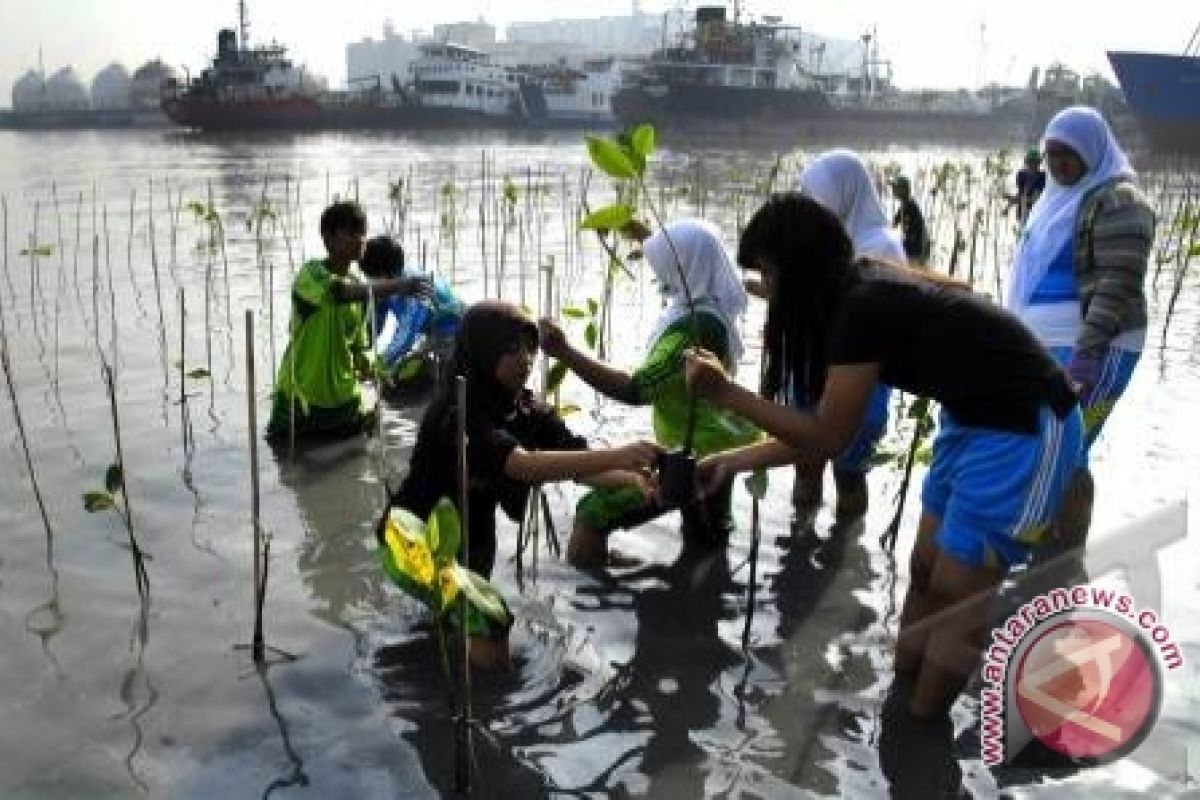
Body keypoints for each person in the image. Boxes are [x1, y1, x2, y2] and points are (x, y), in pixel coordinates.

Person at [683, 194, 1082, 780]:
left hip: (1026, 426)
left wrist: (726, 393)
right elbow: (822, 433)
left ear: (796, 267)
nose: (764, 286)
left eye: (767, 272)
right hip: (969, 419)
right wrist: (733, 461)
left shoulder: (858, 310)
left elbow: (826, 438)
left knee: (957, 593)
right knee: (924, 569)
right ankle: (904, 708)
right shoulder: (852, 297)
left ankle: (917, 742)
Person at [389, 300, 661, 665]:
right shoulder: (459, 409)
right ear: (485, 353)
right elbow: (519, 465)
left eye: (530, 348)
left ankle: (435, 675)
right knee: (489, 623)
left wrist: (632, 478)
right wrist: (618, 456)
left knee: (453, 629)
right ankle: (480, 709)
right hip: (410, 537)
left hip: (470, 538)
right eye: (511, 349)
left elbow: (578, 463)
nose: (527, 359)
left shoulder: (523, 408)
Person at [538, 219, 760, 569]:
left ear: (683, 266)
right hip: (718, 442)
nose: (658, 275)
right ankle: (701, 605)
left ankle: (594, 594)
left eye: (666, 265)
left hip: (692, 456)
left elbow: (637, 389)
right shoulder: (709, 306)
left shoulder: (692, 329)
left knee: (593, 514)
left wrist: (565, 352)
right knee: (707, 534)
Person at [1005, 106, 1155, 562]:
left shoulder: (1118, 199)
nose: (1057, 164)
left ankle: (1064, 554)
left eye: (1067, 154)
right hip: (1048, 346)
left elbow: (1117, 282)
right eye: (1050, 154)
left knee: (1068, 447)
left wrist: (1086, 354)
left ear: (1092, 150)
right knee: (1055, 448)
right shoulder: (1056, 198)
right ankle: (1057, 557)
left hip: (1098, 346)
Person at [786, 149, 905, 519]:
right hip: (811, 365)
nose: (813, 208)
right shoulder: (816, 241)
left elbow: (884, 319)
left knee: (849, 472)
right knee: (804, 462)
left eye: (820, 198)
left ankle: (842, 556)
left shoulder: (880, 244)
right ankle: (798, 548)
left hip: (858, 375)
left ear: (845, 193)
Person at [266, 201, 432, 442]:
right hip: (302, 401)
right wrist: (399, 286)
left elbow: (358, 346)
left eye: (363, 232)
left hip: (344, 404)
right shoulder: (311, 274)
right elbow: (338, 293)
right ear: (328, 238)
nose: (361, 239)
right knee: (287, 455)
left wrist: (376, 370)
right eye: (352, 232)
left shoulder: (361, 289)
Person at [359, 235, 464, 390]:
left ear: (389, 274)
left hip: (452, 328)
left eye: (372, 277)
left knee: (446, 380)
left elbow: (406, 334)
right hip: (428, 330)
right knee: (404, 368)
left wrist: (380, 364)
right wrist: (362, 353)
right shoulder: (382, 286)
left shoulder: (416, 287)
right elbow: (374, 324)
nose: (369, 281)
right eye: (367, 276)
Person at [889, 174, 930, 263]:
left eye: (896, 187)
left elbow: (916, 237)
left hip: (918, 250)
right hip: (913, 247)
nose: (893, 190)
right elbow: (893, 226)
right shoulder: (904, 207)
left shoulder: (911, 207)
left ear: (903, 190)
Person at [1003, 147, 1047, 223]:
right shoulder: (1021, 175)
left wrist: (1012, 199)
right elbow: (1020, 193)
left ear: (1039, 163)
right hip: (1022, 214)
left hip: (1036, 215)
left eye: (1035, 162)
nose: (1033, 164)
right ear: (1026, 162)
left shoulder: (1042, 177)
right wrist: (1007, 207)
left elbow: (1035, 200)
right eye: (1030, 161)